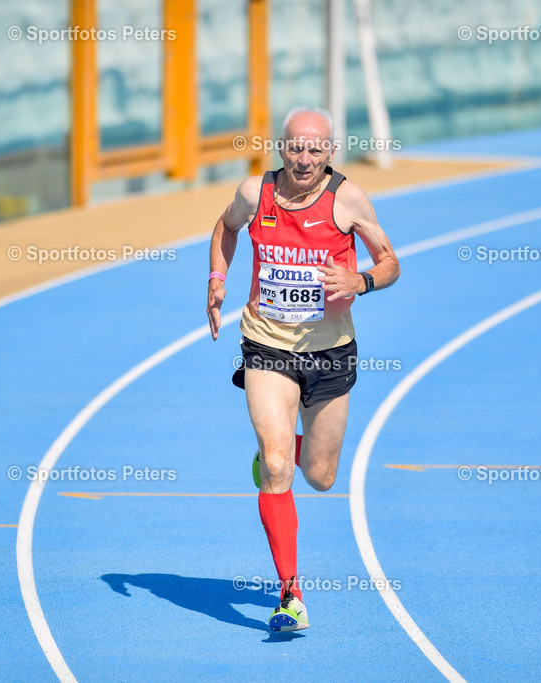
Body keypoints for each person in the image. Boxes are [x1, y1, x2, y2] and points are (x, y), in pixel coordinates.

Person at [206, 106, 400, 632]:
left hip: (331, 353)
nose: (305, 157)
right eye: (296, 146)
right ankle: (290, 592)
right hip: (266, 344)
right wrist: (218, 276)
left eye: (316, 148)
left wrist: (359, 282)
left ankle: (289, 452)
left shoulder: (348, 198)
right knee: (274, 467)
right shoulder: (255, 194)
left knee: (320, 476)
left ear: (330, 152)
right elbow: (224, 229)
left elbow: (390, 263)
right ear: (281, 148)